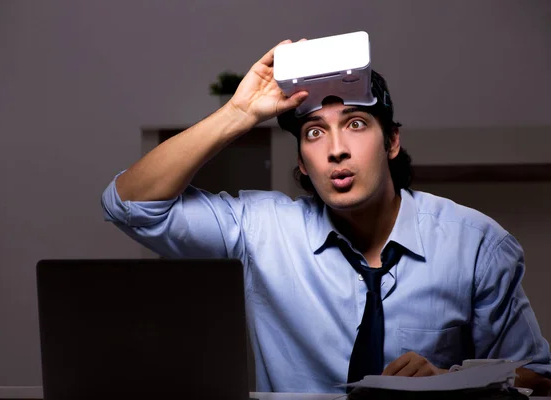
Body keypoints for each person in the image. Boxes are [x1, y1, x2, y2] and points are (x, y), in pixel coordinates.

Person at [101, 39, 551, 395]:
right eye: (315, 133)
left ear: (391, 142)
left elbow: (540, 377)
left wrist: (452, 381)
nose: (336, 148)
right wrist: (237, 114)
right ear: (301, 163)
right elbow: (129, 205)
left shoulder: (476, 245)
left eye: (355, 124)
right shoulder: (263, 230)